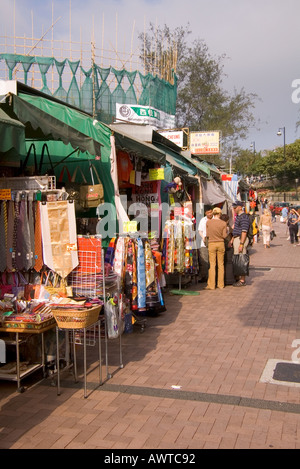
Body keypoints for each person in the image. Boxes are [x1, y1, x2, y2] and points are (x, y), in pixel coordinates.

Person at [205, 207, 228, 290]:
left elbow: (207, 234)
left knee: (212, 265)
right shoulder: (223, 223)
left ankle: (211, 285)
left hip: (211, 243)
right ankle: (220, 284)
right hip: (221, 243)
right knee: (221, 265)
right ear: (219, 214)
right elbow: (224, 236)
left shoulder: (208, 222)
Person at [229, 201, 250, 287]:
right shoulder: (238, 217)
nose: (234, 209)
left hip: (241, 239)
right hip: (237, 238)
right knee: (237, 258)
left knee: (241, 259)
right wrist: (232, 239)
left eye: (235, 207)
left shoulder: (244, 217)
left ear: (240, 207)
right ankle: (239, 278)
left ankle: (242, 280)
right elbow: (237, 230)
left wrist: (241, 243)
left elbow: (244, 231)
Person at [198, 206, 213, 282]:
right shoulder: (202, 220)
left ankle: (211, 276)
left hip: (213, 242)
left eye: (211, 212)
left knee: (212, 260)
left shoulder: (214, 220)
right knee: (204, 260)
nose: (210, 214)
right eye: (208, 212)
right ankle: (204, 276)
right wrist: (203, 237)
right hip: (204, 243)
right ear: (205, 213)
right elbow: (200, 230)